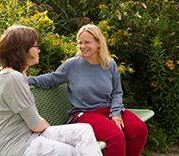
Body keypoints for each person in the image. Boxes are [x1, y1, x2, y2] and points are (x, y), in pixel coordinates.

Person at [27, 24, 148, 156]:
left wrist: (116, 113)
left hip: (108, 109)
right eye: (80, 43)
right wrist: (21, 78)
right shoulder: (72, 65)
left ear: (99, 43)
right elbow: (50, 79)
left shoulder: (109, 64)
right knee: (115, 136)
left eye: (87, 42)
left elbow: (117, 92)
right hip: (85, 113)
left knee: (139, 130)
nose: (83, 46)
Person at [0, 25, 103, 156]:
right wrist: (54, 135)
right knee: (72, 151)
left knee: (84, 130)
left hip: (27, 135)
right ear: (22, 50)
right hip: (16, 144)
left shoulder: (12, 75)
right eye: (36, 47)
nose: (39, 50)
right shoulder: (13, 78)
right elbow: (36, 124)